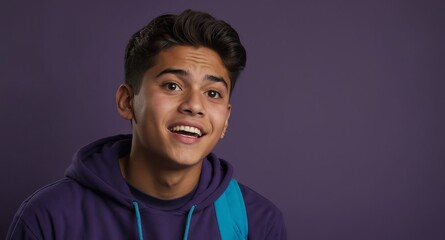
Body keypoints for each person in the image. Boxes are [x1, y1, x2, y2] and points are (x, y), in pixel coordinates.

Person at [7, 9, 287, 239]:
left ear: (225, 118)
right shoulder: (48, 218)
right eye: (172, 85)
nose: (194, 105)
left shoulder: (256, 222)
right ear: (127, 101)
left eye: (212, 93)